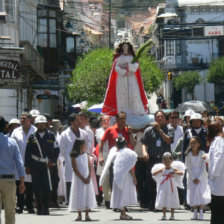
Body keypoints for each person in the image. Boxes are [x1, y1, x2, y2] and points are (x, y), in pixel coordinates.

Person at [102, 41, 148, 116]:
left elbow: (136, 66)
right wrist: (124, 71)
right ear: (121, 48)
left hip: (132, 78)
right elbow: (116, 68)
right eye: (124, 47)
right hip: (121, 79)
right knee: (122, 95)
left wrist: (128, 66)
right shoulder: (119, 58)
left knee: (134, 94)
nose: (125, 48)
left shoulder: (132, 57)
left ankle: (135, 111)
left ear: (129, 48)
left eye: (127, 47)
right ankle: (123, 112)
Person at [25, 115, 60, 215]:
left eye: (43, 124)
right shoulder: (32, 137)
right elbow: (28, 152)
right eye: (39, 124)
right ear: (36, 125)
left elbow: (56, 150)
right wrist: (27, 166)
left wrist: (53, 161)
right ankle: (39, 207)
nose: (41, 126)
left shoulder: (51, 136)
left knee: (47, 187)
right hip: (35, 165)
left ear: (46, 124)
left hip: (47, 165)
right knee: (37, 187)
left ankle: (46, 207)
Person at [142, 110, 174, 210]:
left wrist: (160, 130)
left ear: (165, 118)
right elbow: (144, 143)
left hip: (165, 160)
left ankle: (163, 203)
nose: (159, 118)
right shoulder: (148, 130)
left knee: (164, 181)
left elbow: (169, 140)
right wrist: (144, 152)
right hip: (152, 158)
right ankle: (153, 202)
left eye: (161, 117)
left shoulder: (169, 129)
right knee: (151, 181)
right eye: (158, 117)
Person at [100, 137, 137, 220]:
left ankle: (122, 211)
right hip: (125, 176)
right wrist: (134, 177)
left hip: (117, 176)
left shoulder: (114, 153)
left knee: (120, 193)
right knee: (123, 193)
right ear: (125, 144)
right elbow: (130, 167)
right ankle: (123, 213)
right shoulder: (127, 153)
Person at [0, 116, 25, 224]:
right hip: (8, 180)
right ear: (5, 127)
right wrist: (22, 181)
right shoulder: (12, 142)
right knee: (10, 212)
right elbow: (19, 163)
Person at [11, 112, 36, 214]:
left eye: (24, 118)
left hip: (31, 162)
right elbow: (11, 146)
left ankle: (30, 206)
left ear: (29, 120)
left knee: (29, 185)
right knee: (19, 184)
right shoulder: (16, 132)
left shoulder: (35, 131)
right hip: (18, 162)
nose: (21, 120)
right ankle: (19, 206)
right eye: (20, 118)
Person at [59, 113, 88, 202]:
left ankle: (82, 201)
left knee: (82, 180)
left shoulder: (84, 133)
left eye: (80, 119)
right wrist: (68, 158)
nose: (80, 121)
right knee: (70, 181)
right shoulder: (64, 134)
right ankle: (71, 202)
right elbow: (62, 149)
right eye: (77, 120)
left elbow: (86, 147)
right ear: (71, 122)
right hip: (70, 161)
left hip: (82, 160)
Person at [69, 139, 96, 221]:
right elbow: (75, 169)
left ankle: (87, 214)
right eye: (84, 144)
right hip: (79, 179)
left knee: (87, 194)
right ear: (80, 145)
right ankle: (79, 214)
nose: (86, 146)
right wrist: (83, 178)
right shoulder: (74, 156)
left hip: (87, 178)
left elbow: (89, 166)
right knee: (79, 194)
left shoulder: (86, 155)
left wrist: (88, 177)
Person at [151, 152, 184, 220]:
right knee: (164, 197)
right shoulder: (162, 169)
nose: (167, 163)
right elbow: (153, 173)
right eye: (165, 161)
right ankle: (164, 215)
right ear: (163, 161)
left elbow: (181, 173)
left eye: (168, 161)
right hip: (164, 185)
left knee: (172, 197)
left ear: (171, 161)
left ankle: (172, 215)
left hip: (171, 184)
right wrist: (159, 171)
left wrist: (174, 172)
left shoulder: (173, 169)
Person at [185, 136, 211, 220]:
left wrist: (199, 178)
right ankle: (195, 213)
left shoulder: (202, 153)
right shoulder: (188, 154)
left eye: (194, 143)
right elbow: (188, 167)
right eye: (191, 143)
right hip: (192, 176)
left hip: (201, 176)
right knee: (193, 194)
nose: (192, 145)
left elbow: (203, 167)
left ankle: (201, 213)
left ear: (199, 144)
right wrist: (193, 178)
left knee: (200, 194)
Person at [206, 123, 224, 224]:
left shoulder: (219, 140)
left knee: (217, 212)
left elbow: (219, 158)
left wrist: (213, 175)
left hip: (218, 180)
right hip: (219, 180)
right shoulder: (219, 140)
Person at [95, 115, 111, 208]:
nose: (106, 122)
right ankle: (107, 199)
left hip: (111, 155)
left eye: (107, 120)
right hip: (104, 156)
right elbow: (102, 140)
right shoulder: (99, 131)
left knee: (112, 178)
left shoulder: (112, 129)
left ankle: (112, 198)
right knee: (105, 178)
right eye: (104, 120)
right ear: (101, 122)